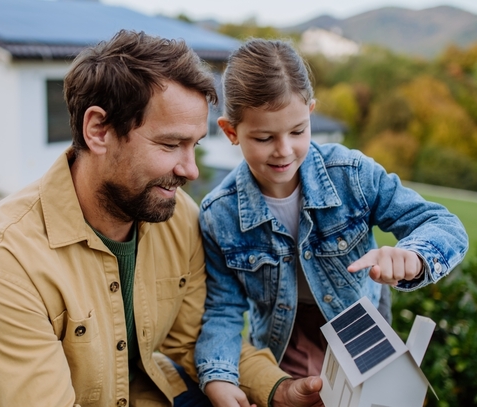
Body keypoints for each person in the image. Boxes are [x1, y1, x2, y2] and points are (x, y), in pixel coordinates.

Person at [0, 30, 323, 407]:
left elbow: (195, 337)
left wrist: (278, 389)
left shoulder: (177, 217)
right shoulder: (5, 261)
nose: (190, 170)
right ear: (98, 131)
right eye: (170, 145)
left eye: (194, 146)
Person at [194, 38, 469, 407]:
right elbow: (223, 309)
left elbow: (444, 225)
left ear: (310, 111)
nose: (284, 150)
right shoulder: (219, 214)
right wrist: (219, 375)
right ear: (231, 132)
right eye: (263, 137)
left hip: (364, 344)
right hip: (281, 353)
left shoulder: (352, 175)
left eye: (298, 131)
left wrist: (414, 257)